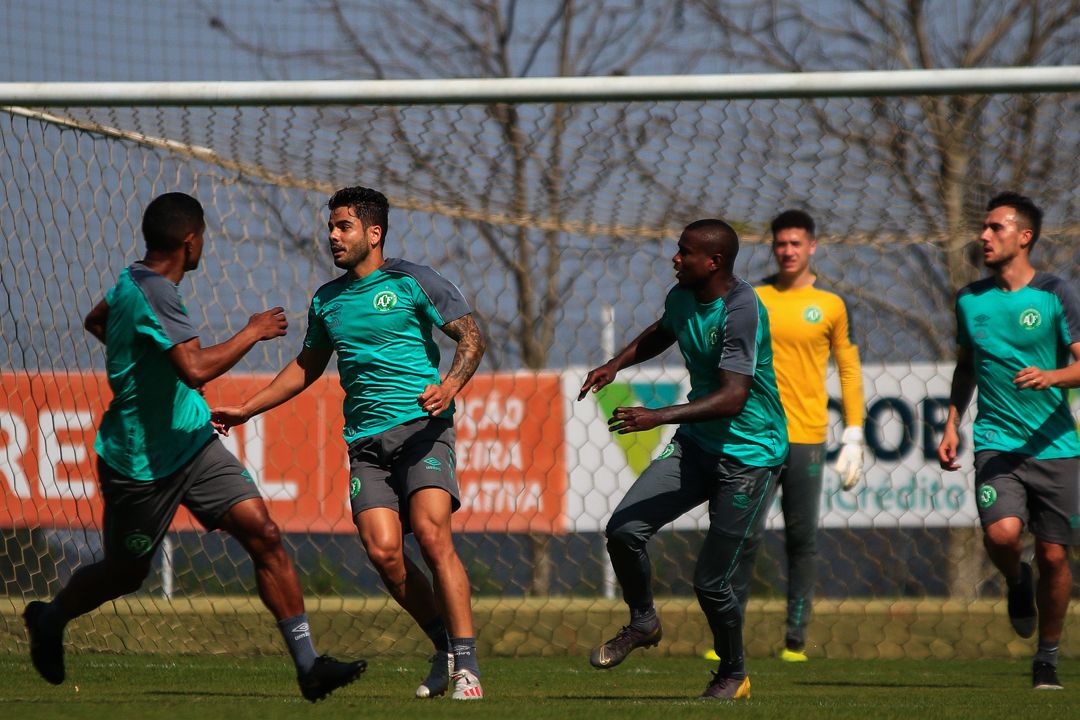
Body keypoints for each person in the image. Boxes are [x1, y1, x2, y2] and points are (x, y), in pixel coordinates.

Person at [22, 192, 365, 702]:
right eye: (203, 236)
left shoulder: (132, 280)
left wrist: (157, 373)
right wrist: (253, 332)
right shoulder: (156, 291)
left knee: (264, 533)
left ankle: (308, 665)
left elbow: (99, 322)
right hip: (139, 463)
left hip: (193, 443)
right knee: (126, 572)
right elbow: (197, 367)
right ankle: (50, 618)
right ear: (190, 242)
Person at [211, 186, 487, 700]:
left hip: (423, 432)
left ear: (373, 233)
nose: (333, 236)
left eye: (344, 227)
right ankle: (443, 647)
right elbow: (306, 367)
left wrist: (449, 386)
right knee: (384, 554)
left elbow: (471, 336)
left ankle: (468, 668)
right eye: (331, 227)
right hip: (366, 445)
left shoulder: (413, 281)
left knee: (430, 537)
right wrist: (247, 407)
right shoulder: (326, 300)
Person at [579, 218, 788, 700]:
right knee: (624, 532)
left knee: (711, 582)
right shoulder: (681, 295)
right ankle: (644, 622)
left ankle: (733, 674)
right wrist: (616, 364)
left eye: (684, 252)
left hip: (750, 458)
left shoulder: (742, 311)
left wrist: (658, 416)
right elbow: (663, 330)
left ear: (713, 262)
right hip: (697, 447)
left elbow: (734, 396)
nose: (675, 258)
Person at [937, 192, 1080, 691]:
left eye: (996, 228)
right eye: (984, 227)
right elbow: (964, 366)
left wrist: (1054, 376)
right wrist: (953, 422)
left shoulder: (1056, 294)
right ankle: (1017, 583)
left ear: (1025, 237)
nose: (984, 235)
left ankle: (1047, 656)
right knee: (1001, 535)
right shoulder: (969, 299)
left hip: (1057, 446)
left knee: (1055, 557)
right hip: (997, 442)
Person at [730, 209, 865, 662]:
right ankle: (728, 635)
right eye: (780, 243)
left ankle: (795, 638)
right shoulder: (752, 297)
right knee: (743, 535)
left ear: (812, 247)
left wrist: (854, 433)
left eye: (796, 243)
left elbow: (848, 369)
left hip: (807, 436)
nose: (787, 251)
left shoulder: (830, 305)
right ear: (772, 246)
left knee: (801, 538)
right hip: (757, 435)